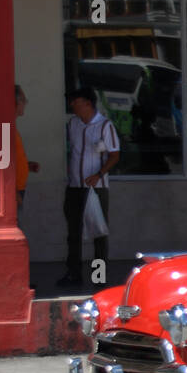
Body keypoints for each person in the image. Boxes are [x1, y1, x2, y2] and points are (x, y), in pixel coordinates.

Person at [59, 87, 119, 286]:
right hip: (75, 186)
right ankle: (73, 274)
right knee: (73, 232)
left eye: (75, 102)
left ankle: (99, 276)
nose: (72, 106)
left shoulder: (104, 126)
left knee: (99, 233)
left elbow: (114, 155)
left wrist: (99, 174)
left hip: (97, 187)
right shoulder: (73, 124)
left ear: (87, 103)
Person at [13, 85, 40, 214]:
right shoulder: (5, 128)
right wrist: (12, 191)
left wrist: (26, 165)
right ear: (16, 102)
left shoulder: (12, 126)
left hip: (18, 188)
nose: (25, 104)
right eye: (24, 100)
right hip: (13, 191)